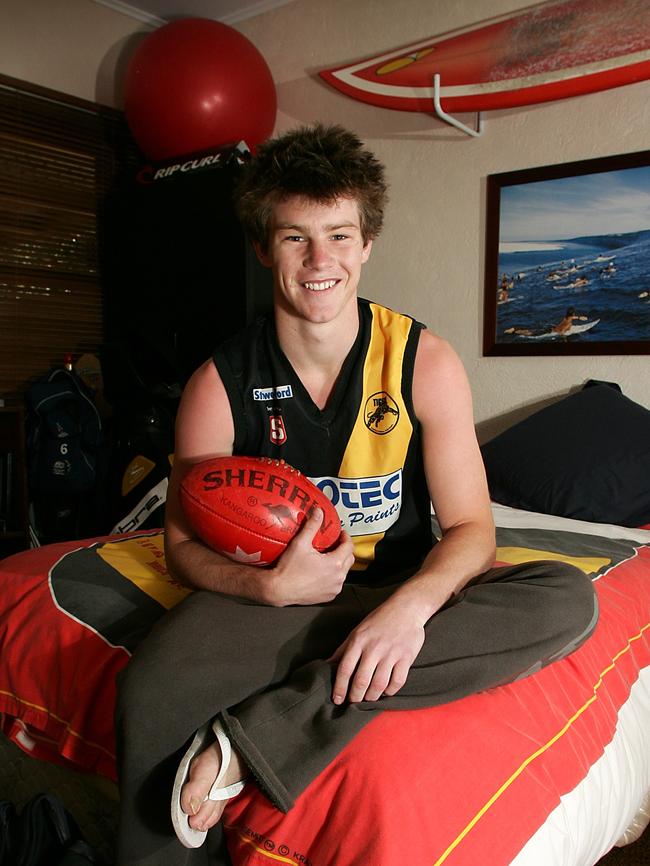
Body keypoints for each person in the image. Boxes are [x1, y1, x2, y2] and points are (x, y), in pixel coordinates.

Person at [115, 124, 598, 866]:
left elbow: (471, 527)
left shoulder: (423, 361)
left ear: (366, 243)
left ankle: (260, 740)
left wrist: (410, 610)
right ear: (261, 247)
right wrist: (268, 587)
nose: (320, 261)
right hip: (273, 600)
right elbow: (180, 549)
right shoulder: (218, 384)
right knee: (150, 689)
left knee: (566, 597)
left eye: (339, 235)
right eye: (294, 238)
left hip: (398, 589)